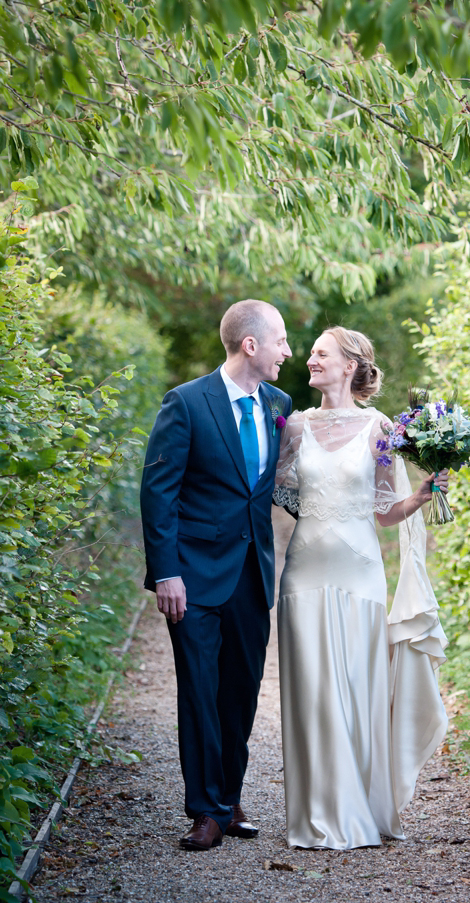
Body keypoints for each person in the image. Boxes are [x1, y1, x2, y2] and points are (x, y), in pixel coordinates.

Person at [274, 326, 449, 850]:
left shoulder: (379, 428)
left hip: (360, 573)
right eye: (310, 354)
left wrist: (418, 497)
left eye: (320, 353)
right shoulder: (297, 427)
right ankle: (315, 814)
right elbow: (281, 491)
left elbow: (385, 510)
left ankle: (361, 811)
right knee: (310, 692)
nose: (309, 359)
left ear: (350, 364)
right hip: (304, 571)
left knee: (355, 688)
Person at [140, 299, 292, 851]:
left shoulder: (278, 402)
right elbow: (159, 493)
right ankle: (204, 810)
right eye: (280, 339)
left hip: (252, 576)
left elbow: (278, 486)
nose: (287, 351)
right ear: (250, 345)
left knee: (241, 694)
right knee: (200, 693)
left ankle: (229, 800)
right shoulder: (185, 404)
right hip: (194, 579)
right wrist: (166, 573)